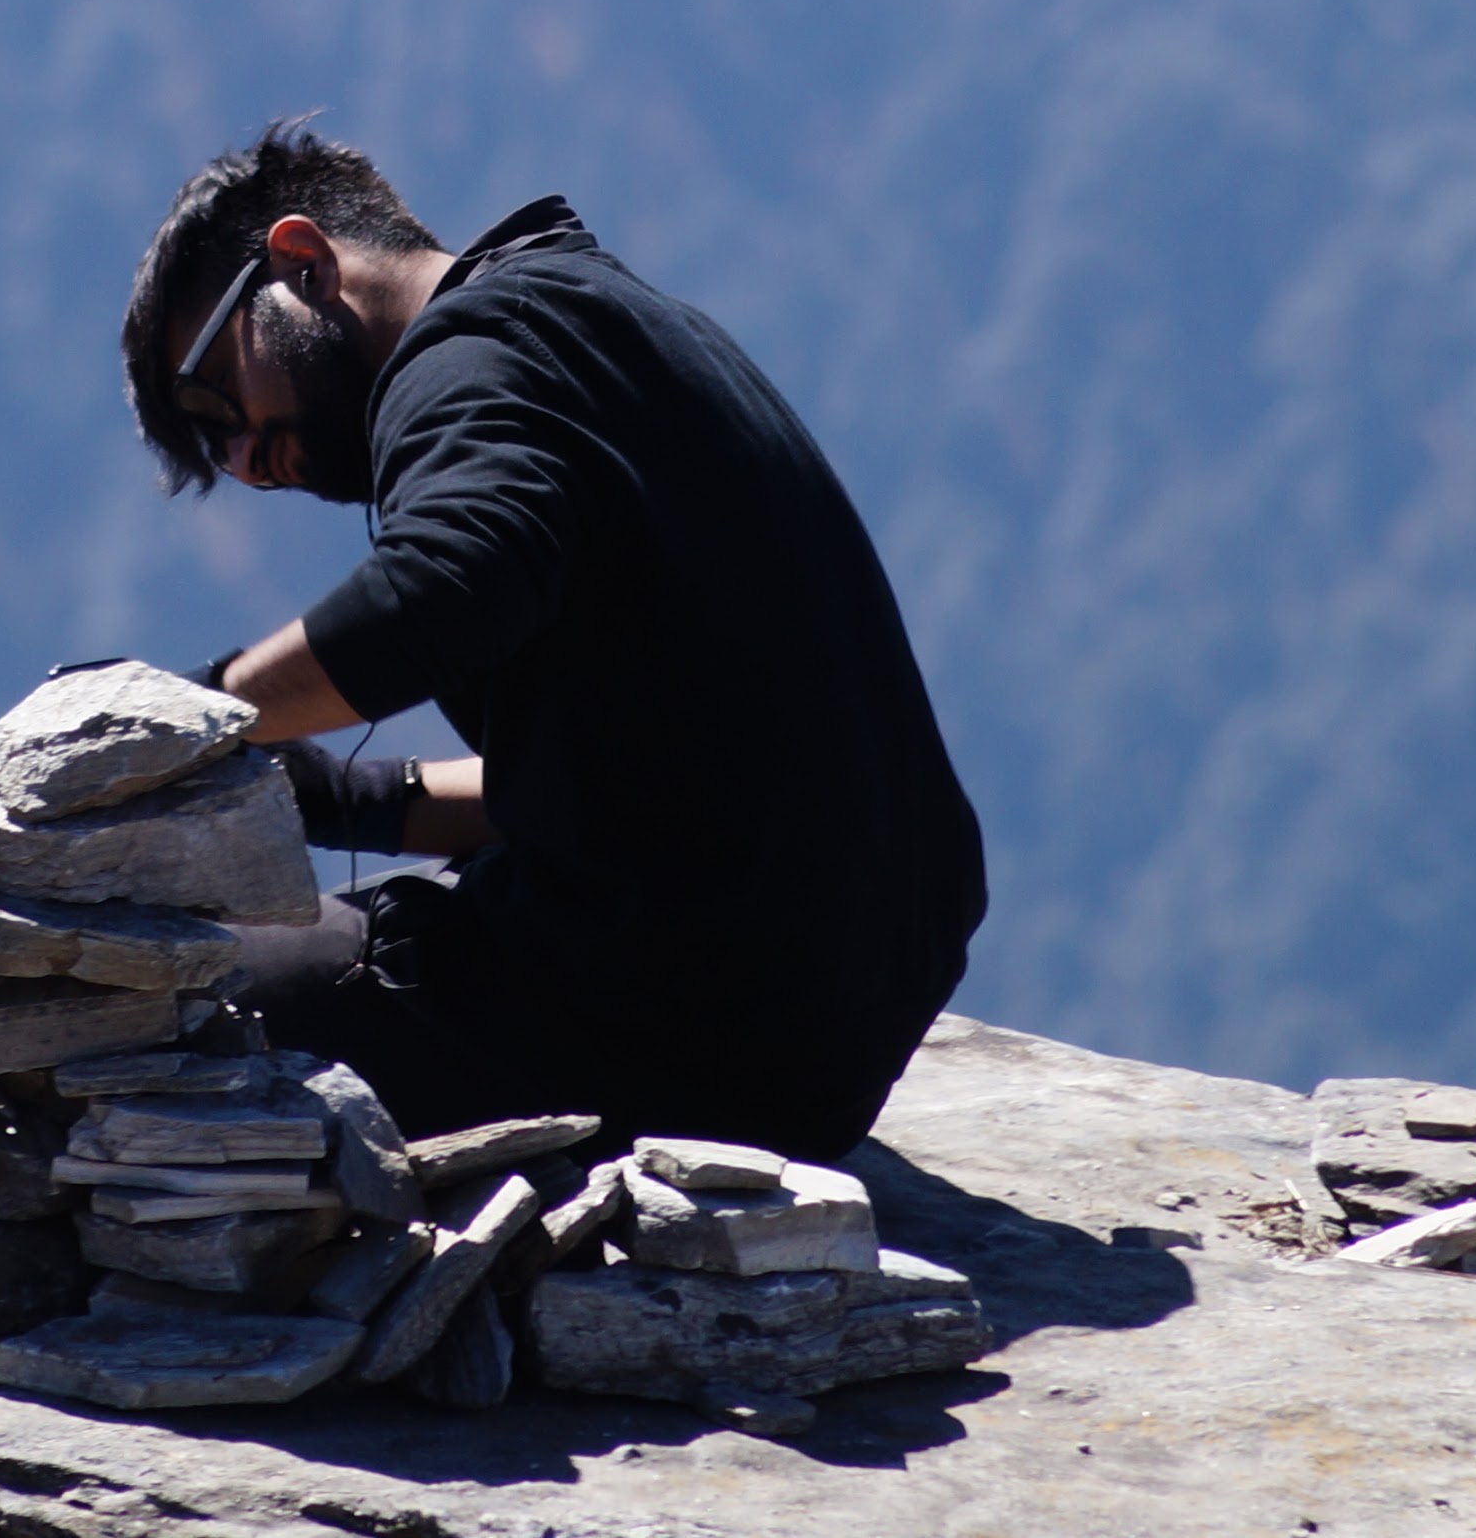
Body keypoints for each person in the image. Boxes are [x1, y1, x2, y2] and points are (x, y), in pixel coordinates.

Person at [119, 122, 983, 1160]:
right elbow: (633, 778)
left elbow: (445, 585)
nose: (244, 461)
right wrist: (340, 796)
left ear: (302, 261)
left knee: (142, 1003)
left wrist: (183, 718)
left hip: (682, 1014)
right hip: (829, 1010)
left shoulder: (468, 365)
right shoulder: (585, 323)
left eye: (216, 398)